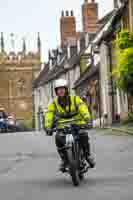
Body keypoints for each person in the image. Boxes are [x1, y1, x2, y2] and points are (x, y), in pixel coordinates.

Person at [45, 79, 95, 171]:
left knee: (83, 134)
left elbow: (82, 107)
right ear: (56, 92)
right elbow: (49, 114)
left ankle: (87, 156)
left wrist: (87, 119)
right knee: (58, 138)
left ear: (66, 89)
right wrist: (48, 126)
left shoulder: (75, 99)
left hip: (77, 124)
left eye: (62, 89)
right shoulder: (54, 103)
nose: (60, 91)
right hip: (62, 126)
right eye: (58, 89)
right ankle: (64, 160)